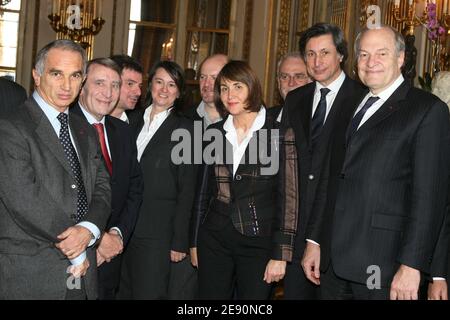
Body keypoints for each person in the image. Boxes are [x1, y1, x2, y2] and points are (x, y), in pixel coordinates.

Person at [302, 25, 450, 300]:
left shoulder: (427, 111)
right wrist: (315, 240)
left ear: (401, 58)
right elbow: (331, 176)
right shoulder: (347, 104)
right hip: (333, 263)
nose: (371, 63)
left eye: (381, 53)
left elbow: (431, 198)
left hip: (384, 265)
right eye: (364, 54)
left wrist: (412, 265)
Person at [0, 40, 111, 299]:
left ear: (82, 80)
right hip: (31, 275)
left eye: (74, 76)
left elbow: (103, 188)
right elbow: (24, 198)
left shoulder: (84, 130)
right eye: (56, 73)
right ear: (37, 76)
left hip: (84, 277)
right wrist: (78, 245)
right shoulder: (11, 128)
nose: (66, 85)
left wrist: (90, 230)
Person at [192, 60, 299, 299]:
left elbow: (289, 199)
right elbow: (202, 192)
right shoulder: (214, 133)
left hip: (258, 243)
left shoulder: (279, 133)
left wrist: (281, 254)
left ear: (252, 87)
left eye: (238, 87)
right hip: (214, 239)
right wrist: (194, 241)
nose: (230, 95)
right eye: (224, 88)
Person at [281, 23, 366, 300]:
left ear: (341, 55)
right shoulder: (295, 99)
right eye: (310, 54)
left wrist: (319, 238)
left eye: (325, 53)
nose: (317, 62)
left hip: (339, 238)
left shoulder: (362, 99)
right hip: (296, 236)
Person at [118, 61, 196, 299]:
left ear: (179, 91)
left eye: (172, 85)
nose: (164, 89)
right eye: (159, 82)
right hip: (123, 228)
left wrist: (180, 241)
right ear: (149, 84)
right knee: (121, 292)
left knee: (149, 293)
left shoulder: (188, 130)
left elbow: (188, 190)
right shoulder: (129, 120)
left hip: (159, 233)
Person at [70, 58, 144, 300]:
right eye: (99, 83)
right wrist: (98, 238)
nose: (108, 92)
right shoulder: (61, 125)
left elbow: (134, 188)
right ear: (82, 86)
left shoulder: (122, 131)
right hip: (74, 258)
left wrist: (117, 234)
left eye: (115, 85)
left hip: (112, 257)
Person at [185, 54, 229, 128]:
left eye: (214, 78)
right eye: (203, 77)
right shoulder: (183, 117)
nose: (206, 84)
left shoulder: (242, 120)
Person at [269, 52, 312, 122]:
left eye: (299, 77)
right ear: (279, 82)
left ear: (311, 81)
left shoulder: (321, 121)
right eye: (285, 77)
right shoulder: (262, 119)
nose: (291, 83)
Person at [109, 55, 144, 123]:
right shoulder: (92, 122)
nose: (139, 93)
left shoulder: (138, 125)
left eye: (140, 86)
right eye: (130, 84)